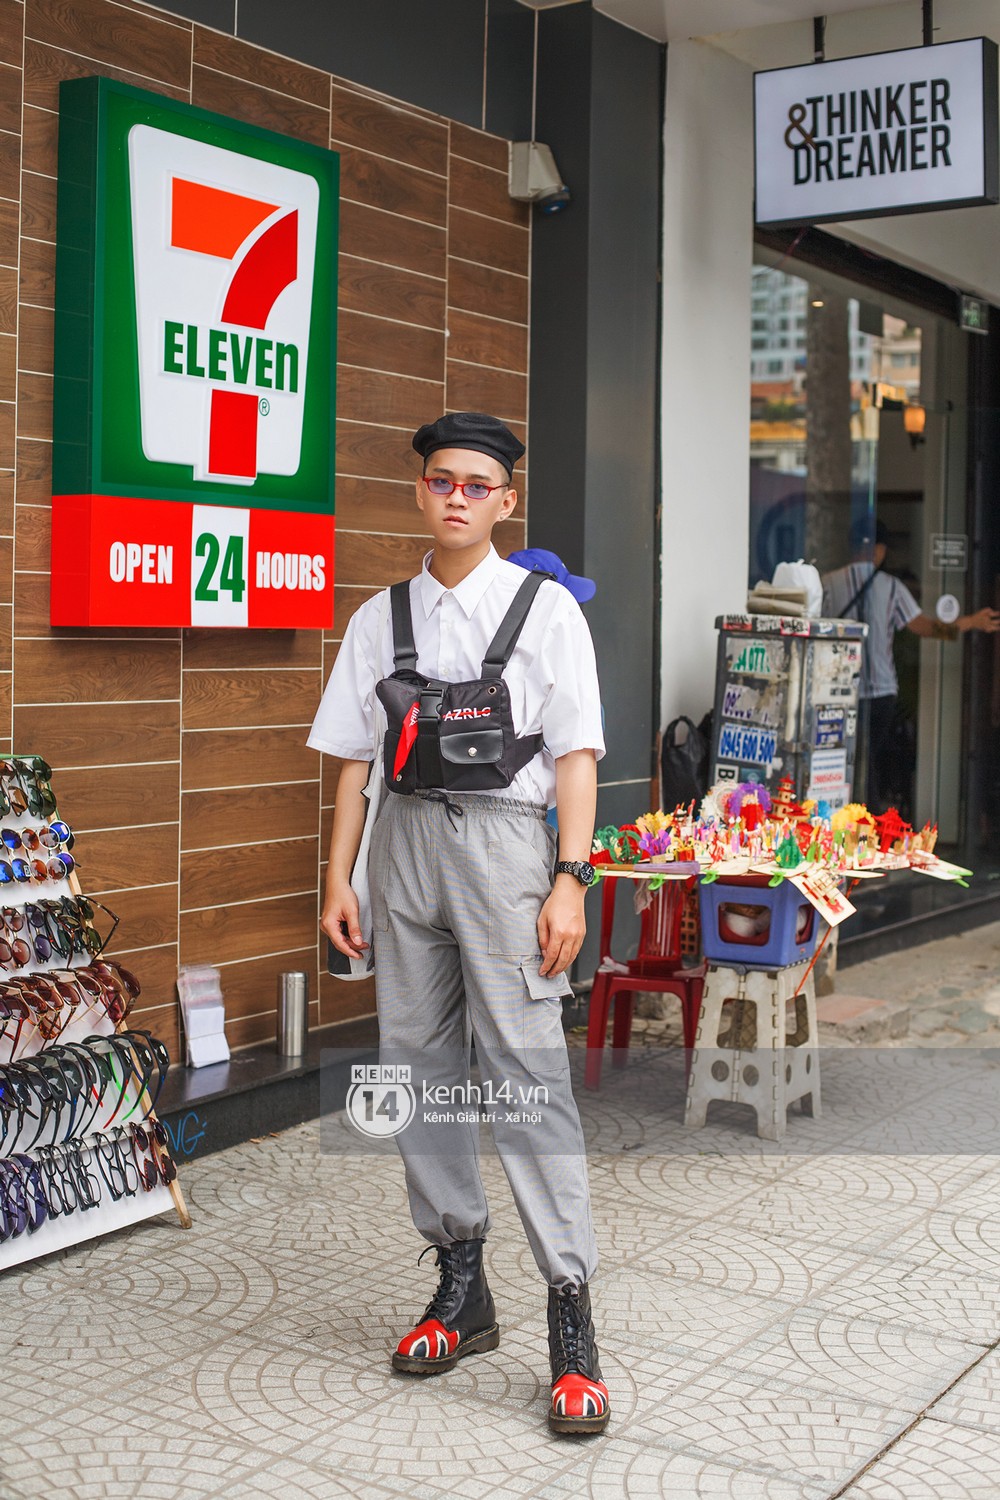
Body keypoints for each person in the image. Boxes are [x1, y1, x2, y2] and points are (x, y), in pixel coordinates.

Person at [309, 411, 610, 1436]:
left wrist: (569, 880)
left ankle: (569, 1312)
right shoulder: (378, 617)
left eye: (477, 485)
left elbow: (575, 756)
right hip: (401, 852)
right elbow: (352, 762)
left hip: (505, 854)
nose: (456, 498)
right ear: (420, 490)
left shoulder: (546, 610)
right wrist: (338, 876)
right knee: (410, 1068)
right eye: (441, 480)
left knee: (526, 1072)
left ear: (506, 500)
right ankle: (460, 1283)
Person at [822, 518, 1000, 810]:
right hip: (880, 692)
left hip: (835, 693)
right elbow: (928, 628)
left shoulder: (828, 583)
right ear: (879, 550)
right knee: (870, 764)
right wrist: (974, 621)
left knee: (840, 763)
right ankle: (868, 822)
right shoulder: (891, 587)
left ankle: (843, 819)